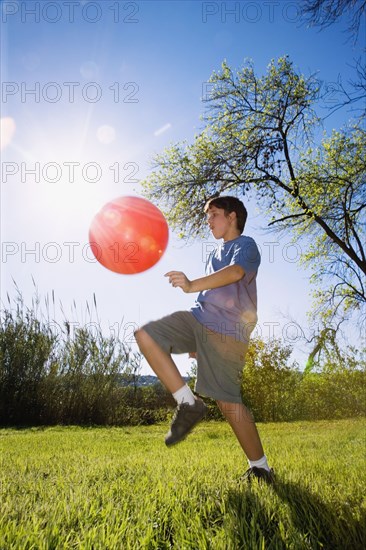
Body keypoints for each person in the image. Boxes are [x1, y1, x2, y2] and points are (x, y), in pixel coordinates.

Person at [135, 196, 273, 483]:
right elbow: (207, 294)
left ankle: (260, 468)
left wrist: (191, 284)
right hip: (198, 320)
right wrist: (194, 346)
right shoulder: (214, 254)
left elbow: (235, 273)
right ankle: (188, 403)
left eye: (213, 214)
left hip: (228, 332)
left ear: (232, 216)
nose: (208, 220)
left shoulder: (245, 246)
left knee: (228, 402)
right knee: (147, 335)